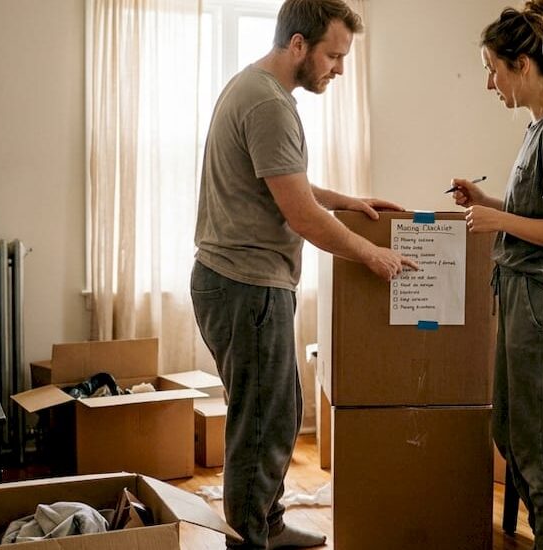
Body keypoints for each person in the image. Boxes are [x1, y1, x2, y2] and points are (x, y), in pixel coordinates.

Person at [191, 1, 416, 548]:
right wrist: (370, 253)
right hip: (247, 285)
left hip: (243, 282)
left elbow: (288, 185)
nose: (338, 69)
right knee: (263, 423)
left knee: (278, 412)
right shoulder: (268, 104)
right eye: (333, 55)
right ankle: (249, 537)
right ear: (298, 44)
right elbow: (299, 215)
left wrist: (348, 201)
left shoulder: (255, 89)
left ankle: (266, 522)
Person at [449, 1, 543, 548]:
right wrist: (488, 202)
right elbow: (539, 216)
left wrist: (496, 219)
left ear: (523, 65)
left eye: (494, 67)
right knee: (511, 431)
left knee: (538, 444)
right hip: (523, 297)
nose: (490, 82)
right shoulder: (540, 128)